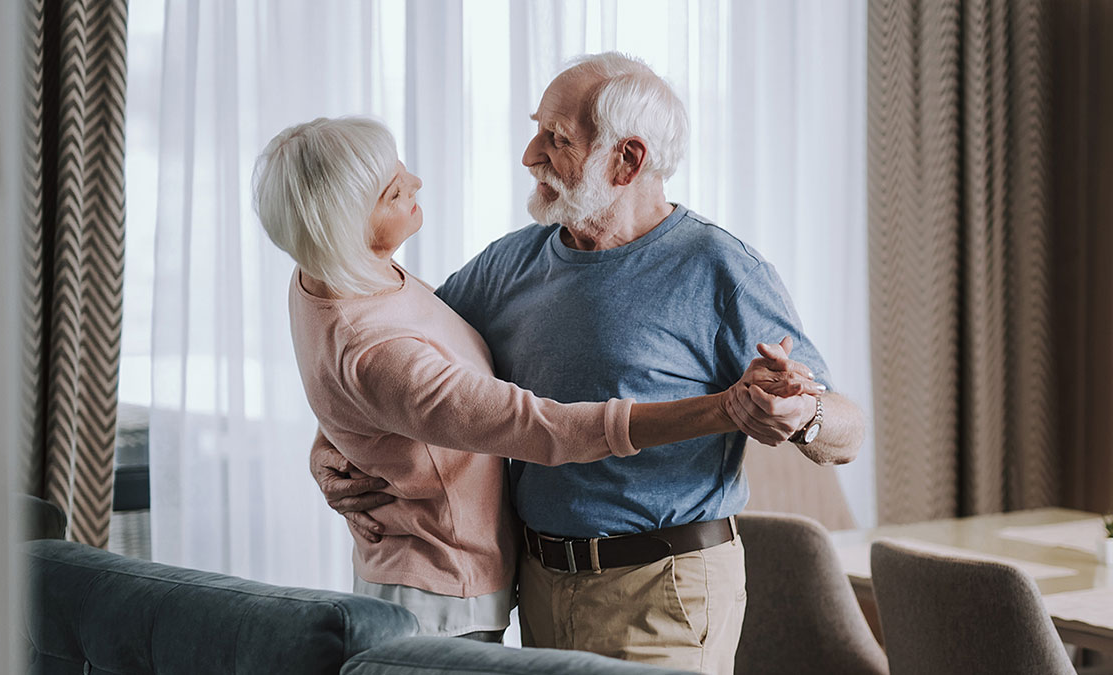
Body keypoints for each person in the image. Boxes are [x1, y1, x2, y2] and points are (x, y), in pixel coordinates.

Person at [311, 52, 866, 674]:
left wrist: (804, 414)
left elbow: (846, 431)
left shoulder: (719, 267)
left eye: (557, 139)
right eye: (537, 132)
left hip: (664, 588)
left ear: (627, 159)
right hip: (538, 586)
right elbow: (399, 366)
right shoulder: (509, 265)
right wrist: (331, 446)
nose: (530, 155)